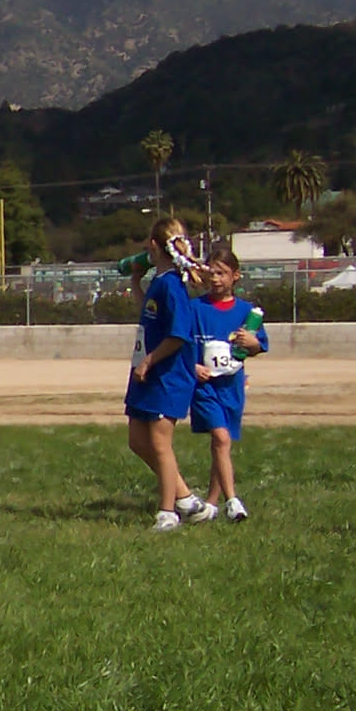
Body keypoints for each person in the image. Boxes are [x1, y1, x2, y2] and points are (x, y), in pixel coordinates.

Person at [125, 216, 206, 531]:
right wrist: (135, 281)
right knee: (137, 440)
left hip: (167, 374)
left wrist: (149, 361)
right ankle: (186, 498)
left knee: (160, 444)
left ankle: (168, 512)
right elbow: (148, 312)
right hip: (146, 373)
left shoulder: (173, 285)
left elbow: (178, 335)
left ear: (153, 246)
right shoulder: (159, 282)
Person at [188, 249, 266, 522]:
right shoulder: (195, 308)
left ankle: (211, 504)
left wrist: (252, 344)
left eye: (221, 273)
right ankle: (233, 501)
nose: (215, 278)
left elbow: (258, 345)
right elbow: (180, 344)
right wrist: (193, 367)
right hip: (204, 389)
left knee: (222, 445)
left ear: (236, 276)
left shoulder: (246, 311)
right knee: (221, 438)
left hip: (232, 387)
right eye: (211, 272)